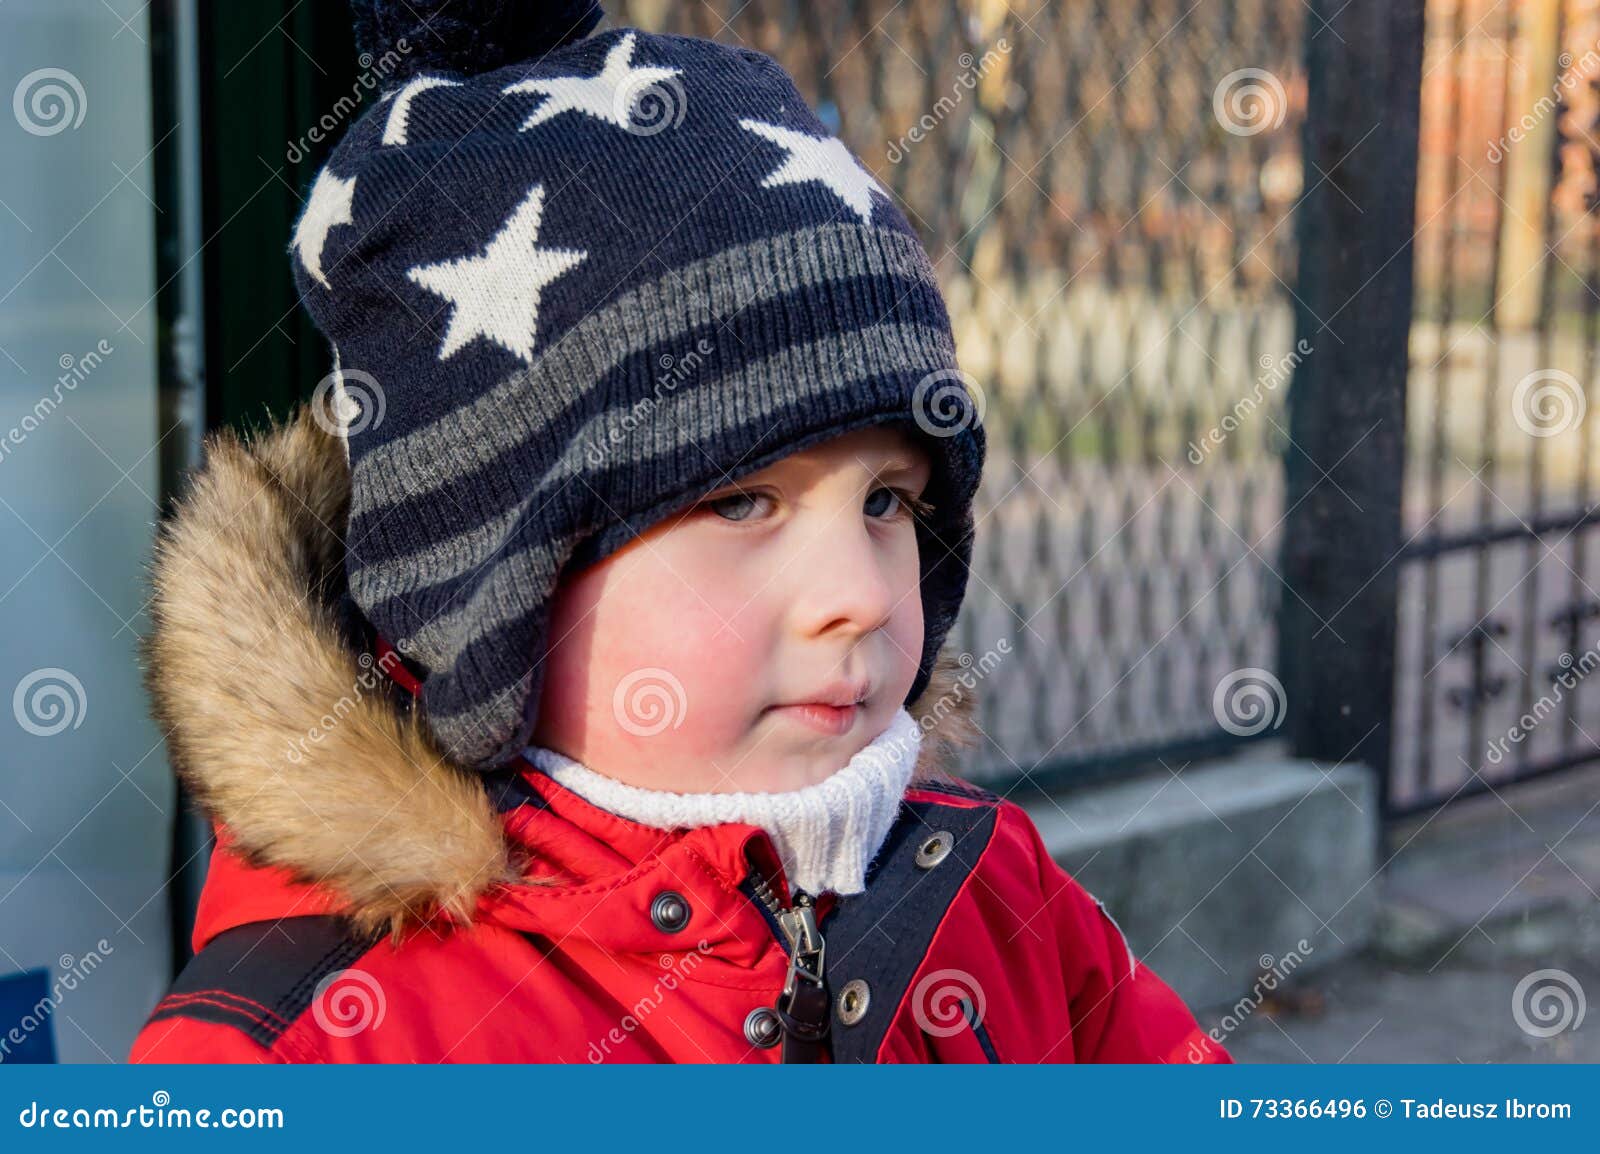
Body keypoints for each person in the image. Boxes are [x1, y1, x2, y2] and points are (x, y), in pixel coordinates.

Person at [128, 0, 1229, 1065]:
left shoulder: (995, 896)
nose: (861, 592)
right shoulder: (310, 1051)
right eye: (740, 502)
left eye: (886, 499)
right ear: (488, 588)